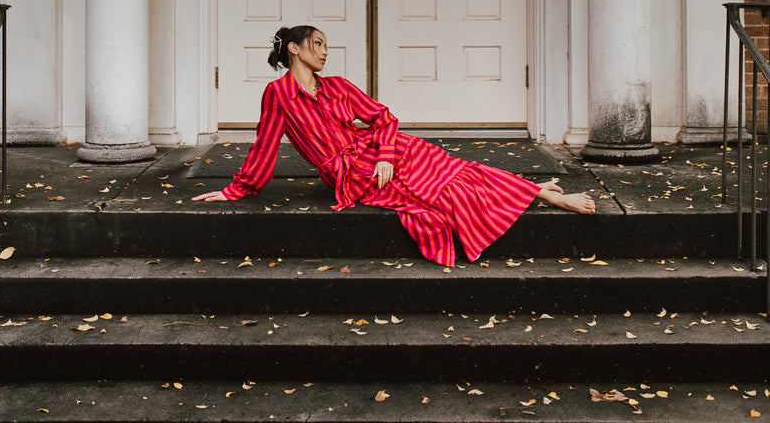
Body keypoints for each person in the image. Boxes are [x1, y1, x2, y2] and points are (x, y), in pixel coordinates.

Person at [193, 26, 595, 266]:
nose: (325, 51)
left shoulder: (338, 86)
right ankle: (540, 195)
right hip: (350, 173)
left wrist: (386, 155)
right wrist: (236, 189)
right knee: (435, 193)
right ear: (295, 49)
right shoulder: (278, 95)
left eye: (326, 45)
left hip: (377, 150)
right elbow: (265, 145)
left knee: (448, 167)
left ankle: (536, 191)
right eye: (318, 43)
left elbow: (383, 118)